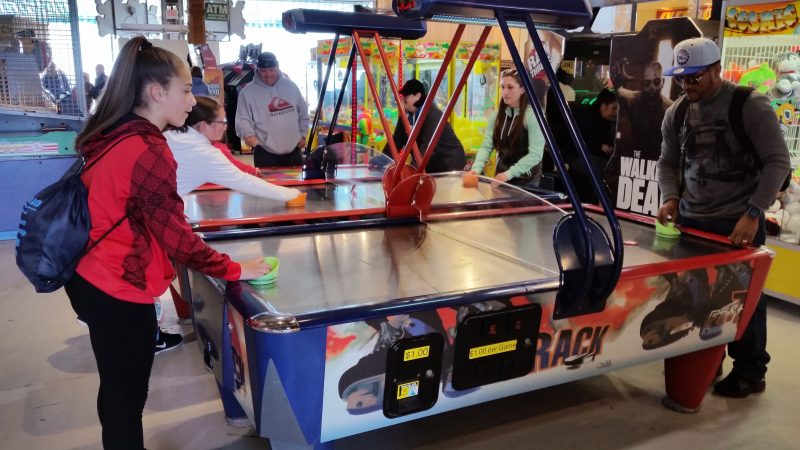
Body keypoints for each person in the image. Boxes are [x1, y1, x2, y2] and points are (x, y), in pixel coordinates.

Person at [66, 36, 272, 448]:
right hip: (117, 287)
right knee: (128, 398)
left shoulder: (112, 134)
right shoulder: (147, 147)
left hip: (89, 275)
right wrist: (234, 269)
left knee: (116, 388)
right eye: (184, 90)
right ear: (157, 92)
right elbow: (175, 235)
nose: (192, 101)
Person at [657, 37, 790, 398]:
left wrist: (753, 212)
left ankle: (749, 370)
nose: (687, 85)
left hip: (737, 221)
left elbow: (778, 162)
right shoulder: (678, 112)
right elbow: (668, 161)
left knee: (743, 296)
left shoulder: (749, 105)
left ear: (716, 69)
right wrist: (669, 196)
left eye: (695, 78)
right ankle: (706, 357)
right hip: (692, 219)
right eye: (682, 78)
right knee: (695, 294)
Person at [165, 96, 301, 198]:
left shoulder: (170, 135)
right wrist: (292, 194)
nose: (226, 126)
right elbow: (244, 182)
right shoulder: (204, 153)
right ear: (203, 125)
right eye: (222, 121)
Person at [470, 68, 545, 187]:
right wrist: (476, 169)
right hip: (501, 176)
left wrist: (507, 175)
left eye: (510, 87)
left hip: (526, 180)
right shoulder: (497, 115)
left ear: (523, 89)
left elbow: (535, 155)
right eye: (502, 87)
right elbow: (486, 146)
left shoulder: (533, 116)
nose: (505, 92)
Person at [235, 51, 309, 168]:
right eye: (263, 71)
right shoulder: (247, 92)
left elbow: (303, 112)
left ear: (278, 67)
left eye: (271, 70)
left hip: (293, 150)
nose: (267, 74)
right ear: (257, 69)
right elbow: (242, 118)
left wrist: (303, 134)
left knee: (296, 186)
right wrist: (248, 135)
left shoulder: (291, 86)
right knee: (267, 186)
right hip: (265, 152)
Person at [390, 79, 467, 173]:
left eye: (406, 96)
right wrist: (380, 160)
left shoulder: (432, 115)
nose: (403, 99)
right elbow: (396, 141)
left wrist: (411, 172)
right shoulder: (406, 116)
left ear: (417, 96)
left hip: (449, 164)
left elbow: (427, 148)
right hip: (432, 165)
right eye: (402, 96)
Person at [567, 88, 618, 203]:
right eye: (614, 108)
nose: (616, 112)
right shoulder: (585, 116)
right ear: (604, 106)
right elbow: (577, 140)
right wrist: (599, 146)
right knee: (604, 169)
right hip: (576, 154)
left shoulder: (608, 121)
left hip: (592, 155)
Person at [616, 61, 673, 156]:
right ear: (642, 84)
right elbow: (618, 90)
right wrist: (619, 79)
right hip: (636, 155)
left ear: (663, 82)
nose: (652, 87)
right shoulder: (633, 99)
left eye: (656, 82)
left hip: (659, 156)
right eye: (647, 83)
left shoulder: (671, 108)